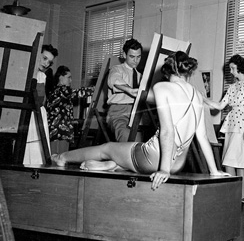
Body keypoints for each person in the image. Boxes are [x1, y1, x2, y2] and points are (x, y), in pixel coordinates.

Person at [51, 51, 229, 190]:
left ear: (167, 73)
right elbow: (203, 137)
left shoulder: (162, 87)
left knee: (107, 147)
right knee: (122, 155)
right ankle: (114, 165)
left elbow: (168, 131)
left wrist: (164, 169)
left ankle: (62, 157)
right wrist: (214, 171)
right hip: (178, 163)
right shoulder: (197, 94)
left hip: (156, 158)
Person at [203, 54, 244, 203]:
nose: (232, 72)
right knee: (233, 161)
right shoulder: (232, 87)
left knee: (235, 162)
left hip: (242, 126)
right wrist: (202, 99)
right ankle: (235, 196)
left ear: (241, 67)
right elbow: (220, 106)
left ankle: (239, 196)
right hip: (230, 125)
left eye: (233, 69)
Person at [46, 66, 95, 155]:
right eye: (68, 77)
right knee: (58, 160)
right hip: (59, 133)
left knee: (59, 160)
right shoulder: (61, 90)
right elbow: (78, 93)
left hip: (60, 133)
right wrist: (93, 89)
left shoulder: (56, 91)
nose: (71, 80)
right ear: (60, 77)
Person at [23, 44, 58, 164]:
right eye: (44, 58)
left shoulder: (42, 76)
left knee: (38, 150)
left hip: (38, 113)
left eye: (50, 62)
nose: (46, 63)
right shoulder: (25, 72)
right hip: (28, 113)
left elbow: (41, 100)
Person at [107, 38, 143, 142]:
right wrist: (130, 90)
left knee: (139, 144)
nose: (136, 60)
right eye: (132, 57)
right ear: (124, 55)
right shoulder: (117, 69)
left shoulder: (141, 76)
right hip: (118, 112)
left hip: (136, 112)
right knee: (125, 135)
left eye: (138, 57)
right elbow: (114, 80)